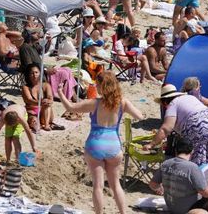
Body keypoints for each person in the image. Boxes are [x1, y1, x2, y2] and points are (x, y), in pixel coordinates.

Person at [57, 72, 143, 214]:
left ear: (103, 86)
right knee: (116, 185)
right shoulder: (123, 102)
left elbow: (70, 108)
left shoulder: (94, 103)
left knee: (98, 186)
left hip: (95, 144)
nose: (95, 86)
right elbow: (139, 116)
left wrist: (60, 92)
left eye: (97, 84)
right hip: (113, 145)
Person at [22, 63, 61, 131]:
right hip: (32, 112)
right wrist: (41, 102)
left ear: (40, 73)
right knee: (34, 122)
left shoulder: (46, 85)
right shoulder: (25, 87)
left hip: (45, 112)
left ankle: (46, 125)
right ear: (28, 75)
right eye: (32, 73)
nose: (34, 75)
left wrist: (46, 101)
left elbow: (50, 99)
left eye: (36, 72)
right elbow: (28, 100)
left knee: (47, 105)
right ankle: (39, 124)